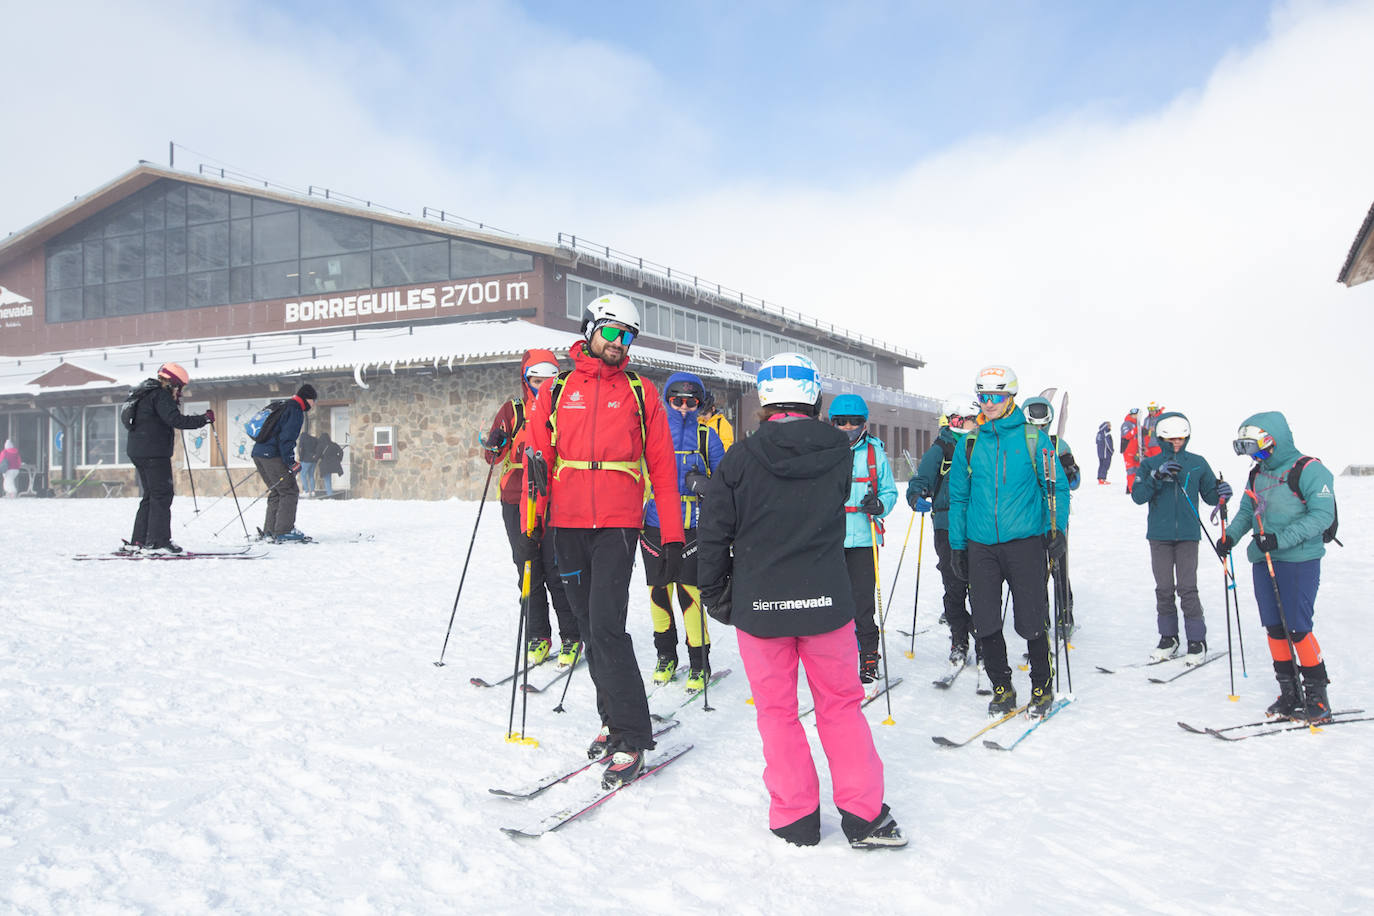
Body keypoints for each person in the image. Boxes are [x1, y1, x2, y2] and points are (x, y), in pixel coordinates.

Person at [697, 352, 905, 850]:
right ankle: (864, 815)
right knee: (840, 706)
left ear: (765, 395)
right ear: (813, 394)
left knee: (777, 711)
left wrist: (717, 594)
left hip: (760, 603)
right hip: (827, 600)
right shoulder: (839, 450)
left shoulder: (740, 458)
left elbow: (713, 532)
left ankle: (795, 818)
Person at [524, 293, 685, 789]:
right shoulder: (559, 388)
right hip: (566, 521)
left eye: (628, 336)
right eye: (612, 333)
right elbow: (538, 455)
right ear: (591, 330)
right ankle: (611, 717)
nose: (619, 343)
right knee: (589, 629)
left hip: (618, 522)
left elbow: (661, 464)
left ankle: (632, 735)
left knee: (607, 626)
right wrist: (533, 522)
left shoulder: (640, 391)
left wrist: (672, 532)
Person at [948, 365, 1068, 717]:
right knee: (985, 619)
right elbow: (959, 498)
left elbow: (1056, 487)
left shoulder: (1033, 438)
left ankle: (1042, 687)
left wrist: (1055, 529)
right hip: (981, 544)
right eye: (983, 397)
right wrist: (958, 545)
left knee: (1031, 619)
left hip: (1025, 542)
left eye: (997, 397)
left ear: (1011, 397)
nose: (989, 403)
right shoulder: (969, 444)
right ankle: (1002, 687)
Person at [1218, 412, 1335, 722]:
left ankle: (1317, 696)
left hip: (1299, 560)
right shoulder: (1257, 474)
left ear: (1273, 441)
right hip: (1263, 559)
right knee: (1274, 628)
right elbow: (1246, 511)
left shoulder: (1310, 470)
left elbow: (1321, 516)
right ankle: (1289, 691)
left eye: (1257, 449)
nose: (1254, 457)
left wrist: (1279, 539)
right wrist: (1230, 537)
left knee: (1297, 627)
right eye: (1249, 451)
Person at [482, 349, 580, 668]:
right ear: (526, 380)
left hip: (555, 500)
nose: (542, 387)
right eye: (536, 380)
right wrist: (495, 442)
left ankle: (571, 635)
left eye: (549, 380)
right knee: (527, 569)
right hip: (515, 498)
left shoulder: (564, 407)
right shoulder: (513, 410)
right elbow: (492, 457)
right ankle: (538, 634)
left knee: (556, 569)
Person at [642, 372, 725, 689]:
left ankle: (699, 662)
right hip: (655, 525)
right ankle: (666, 657)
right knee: (658, 594)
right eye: (677, 401)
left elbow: (728, 484)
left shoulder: (708, 438)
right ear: (666, 400)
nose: (684, 408)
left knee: (690, 595)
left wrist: (705, 485)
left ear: (701, 404)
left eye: (692, 402)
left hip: (692, 526)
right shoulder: (652, 434)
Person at [1129, 411, 1228, 665]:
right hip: (1159, 536)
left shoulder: (1197, 463)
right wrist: (1156, 477)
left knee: (1187, 588)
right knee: (1163, 589)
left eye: (1181, 439)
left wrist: (1221, 493)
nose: (1177, 443)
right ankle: (1168, 638)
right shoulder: (1149, 464)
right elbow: (1138, 496)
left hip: (1187, 535)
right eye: (1171, 439)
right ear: (1161, 439)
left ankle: (1197, 640)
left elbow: (1209, 495)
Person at [828, 393, 897, 684]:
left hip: (863, 539)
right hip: (828, 540)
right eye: (840, 422)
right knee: (829, 602)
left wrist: (879, 505)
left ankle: (868, 655)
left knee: (862, 603)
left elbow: (889, 491)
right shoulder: (821, 451)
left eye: (853, 422)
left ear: (863, 423)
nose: (847, 428)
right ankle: (833, 657)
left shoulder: (874, 453)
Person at [907, 395, 980, 668]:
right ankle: (959, 640)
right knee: (954, 585)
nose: (976, 424)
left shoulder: (982, 442)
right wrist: (917, 494)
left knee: (981, 587)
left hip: (979, 525)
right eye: (972, 420)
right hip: (947, 526)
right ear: (957, 420)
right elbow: (922, 477)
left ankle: (984, 642)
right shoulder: (943, 447)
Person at [124, 362, 213, 553]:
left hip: (138, 450)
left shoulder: (144, 393)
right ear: (173, 382)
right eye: (180, 386)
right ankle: (158, 541)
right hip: (154, 453)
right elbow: (175, 420)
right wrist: (203, 419)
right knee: (162, 495)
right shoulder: (160, 395)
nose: (180, 391)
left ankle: (139, 540)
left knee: (150, 495)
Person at [1023, 396, 1080, 636]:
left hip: (1055, 516)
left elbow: (1074, 482)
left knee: (1058, 567)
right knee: (1036, 572)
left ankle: (1065, 614)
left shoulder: (1059, 444)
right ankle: (1041, 616)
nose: (1039, 430)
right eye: (1034, 425)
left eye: (1042, 425)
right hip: (1029, 517)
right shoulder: (1022, 442)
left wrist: (1070, 470)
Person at [251, 384, 317, 542]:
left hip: (259, 453)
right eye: (314, 401)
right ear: (308, 399)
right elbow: (286, 439)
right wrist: (291, 462)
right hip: (272, 455)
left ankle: (270, 530)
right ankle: (284, 530)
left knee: (277, 491)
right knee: (289, 491)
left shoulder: (283, 405)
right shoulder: (295, 411)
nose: (314, 404)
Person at [316, 433, 343, 498]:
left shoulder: (321, 445)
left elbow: (318, 455)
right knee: (329, 479)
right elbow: (341, 452)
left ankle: (329, 494)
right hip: (333, 464)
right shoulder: (334, 444)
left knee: (327, 479)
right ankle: (330, 492)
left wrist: (315, 458)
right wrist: (339, 459)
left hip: (325, 464)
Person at [1121, 408, 1141, 493]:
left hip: (1137, 451)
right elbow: (1126, 435)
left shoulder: (1138, 424)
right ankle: (1131, 489)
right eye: (1134, 415)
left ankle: (1135, 487)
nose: (1135, 416)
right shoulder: (1126, 424)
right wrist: (1136, 430)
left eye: (1136, 415)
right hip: (1128, 451)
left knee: (1138, 470)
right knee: (1131, 470)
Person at [297, 429, 319, 498]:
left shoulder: (303, 439)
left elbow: (301, 450)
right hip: (314, 460)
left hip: (306, 460)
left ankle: (306, 491)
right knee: (311, 475)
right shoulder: (314, 439)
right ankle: (312, 491)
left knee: (302, 475)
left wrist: (300, 459)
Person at [1095, 420, 1114, 485]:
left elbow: (1096, 442)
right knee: (1105, 466)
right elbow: (1108, 444)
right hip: (1106, 454)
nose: (1110, 427)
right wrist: (1112, 451)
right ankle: (1102, 479)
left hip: (1100, 453)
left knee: (1101, 465)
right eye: (1109, 425)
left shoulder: (1099, 433)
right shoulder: (1106, 434)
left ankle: (1100, 479)